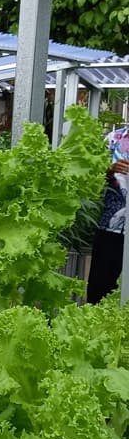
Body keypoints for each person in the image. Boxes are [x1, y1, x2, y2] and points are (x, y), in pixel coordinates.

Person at [85, 123, 129, 304]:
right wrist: (110, 170)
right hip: (112, 226)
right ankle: (94, 329)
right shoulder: (113, 139)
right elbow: (90, 177)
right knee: (101, 287)